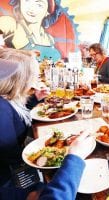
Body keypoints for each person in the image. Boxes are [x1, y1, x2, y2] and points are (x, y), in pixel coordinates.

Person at [0, 49, 93, 200]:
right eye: (34, 76)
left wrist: (34, 99)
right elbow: (12, 156)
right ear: (20, 80)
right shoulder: (2, 110)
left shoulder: (6, 100)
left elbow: (15, 118)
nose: (37, 80)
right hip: (9, 179)